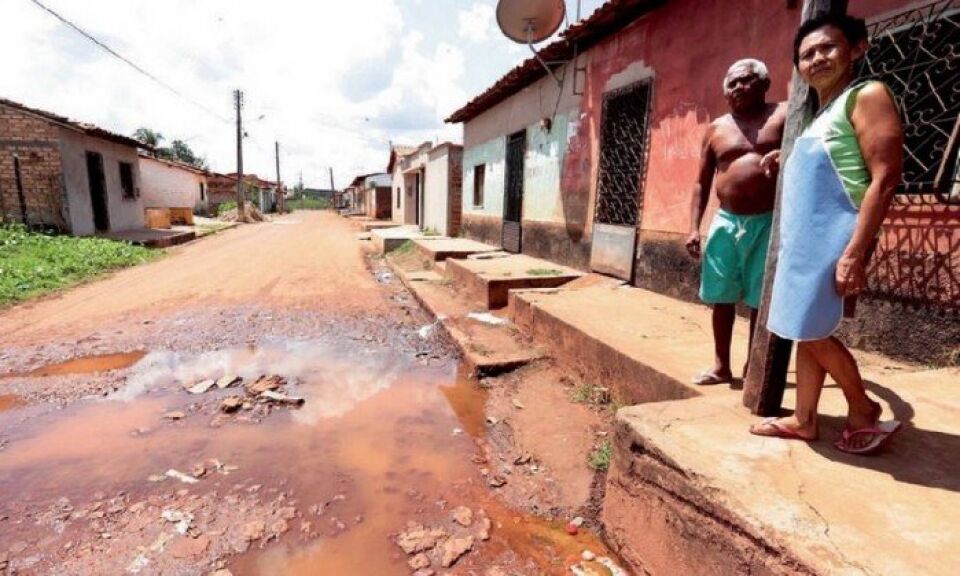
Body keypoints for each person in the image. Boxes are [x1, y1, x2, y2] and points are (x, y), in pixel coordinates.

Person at [750, 13, 904, 455]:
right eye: (806, 54)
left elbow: (885, 176)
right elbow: (831, 159)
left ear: (856, 48)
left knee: (811, 329)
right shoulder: (824, 114)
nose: (816, 58)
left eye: (827, 48)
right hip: (804, 245)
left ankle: (862, 407)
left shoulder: (866, 95)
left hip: (834, 240)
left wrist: (854, 252)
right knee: (805, 326)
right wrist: (789, 157)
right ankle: (804, 419)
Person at [687, 59, 787, 386]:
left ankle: (753, 367)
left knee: (762, 299)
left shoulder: (784, 115)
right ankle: (721, 366)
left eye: (745, 81)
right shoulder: (716, 129)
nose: (737, 88)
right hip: (727, 222)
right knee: (722, 296)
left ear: (763, 83)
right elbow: (701, 182)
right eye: (731, 84)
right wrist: (693, 227)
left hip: (769, 222)